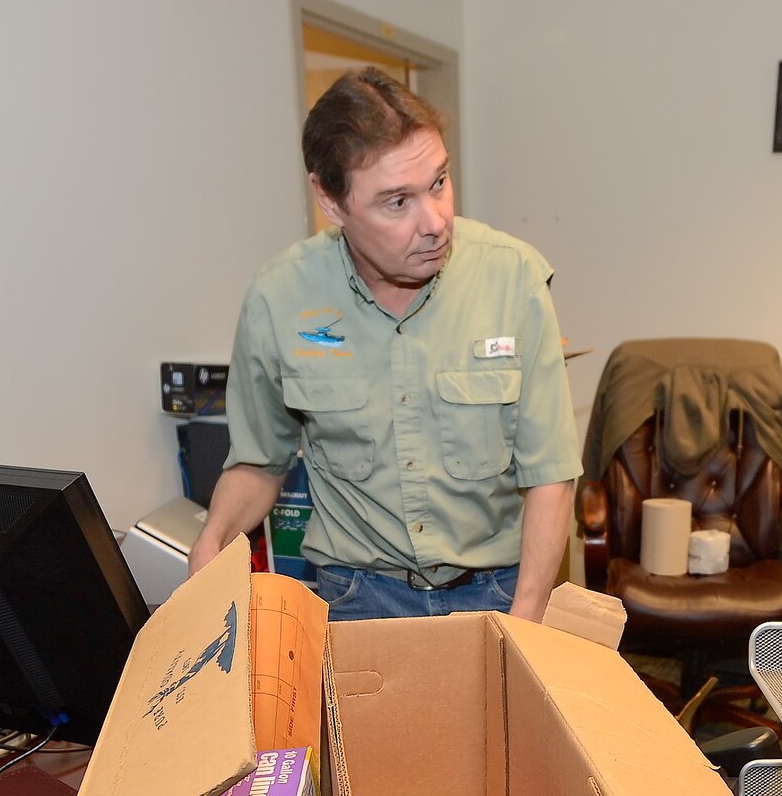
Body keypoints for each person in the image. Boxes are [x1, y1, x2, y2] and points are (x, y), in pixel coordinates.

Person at [190, 68, 579, 623]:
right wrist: (213, 540)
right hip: (357, 599)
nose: (435, 222)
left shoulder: (512, 278)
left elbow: (551, 474)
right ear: (330, 199)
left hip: (497, 594)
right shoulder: (279, 299)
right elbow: (258, 462)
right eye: (397, 202)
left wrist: (525, 620)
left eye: (439, 183)